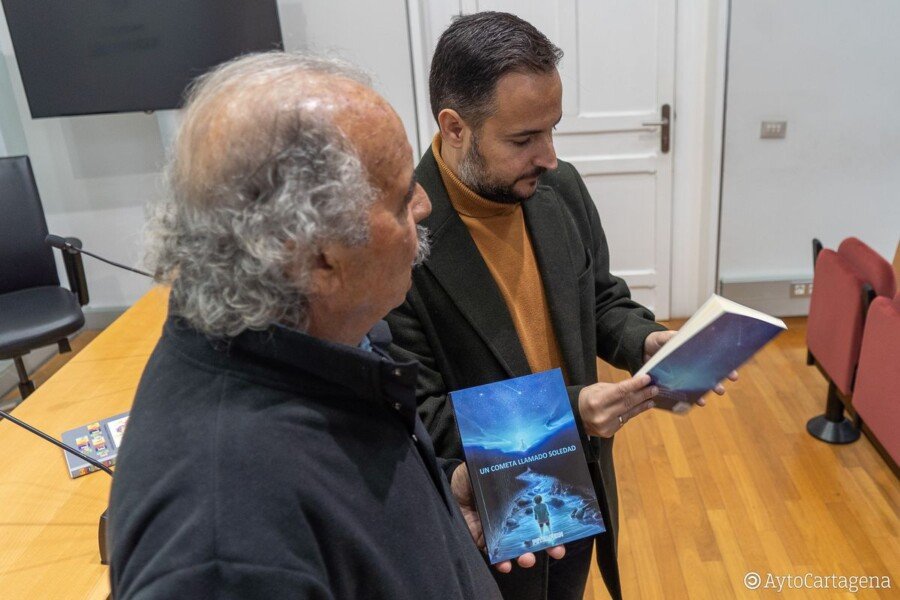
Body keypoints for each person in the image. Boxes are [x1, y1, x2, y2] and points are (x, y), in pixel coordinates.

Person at [107, 51, 551, 600]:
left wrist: (437, 510)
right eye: (397, 196)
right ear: (317, 256)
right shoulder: (224, 547)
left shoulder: (316, 340)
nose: (423, 204)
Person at [385, 11, 735, 600]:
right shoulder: (402, 239)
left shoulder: (560, 188)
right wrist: (573, 411)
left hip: (582, 486)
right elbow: (422, 416)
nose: (549, 155)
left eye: (553, 129)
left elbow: (598, 296)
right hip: (483, 510)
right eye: (524, 139)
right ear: (454, 127)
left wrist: (645, 340)